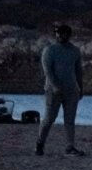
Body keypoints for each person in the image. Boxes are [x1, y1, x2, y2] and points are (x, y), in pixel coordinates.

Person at [35, 23, 85, 156]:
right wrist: (55, 86)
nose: (60, 35)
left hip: (71, 90)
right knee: (49, 118)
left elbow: (78, 70)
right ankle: (40, 144)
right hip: (53, 91)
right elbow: (48, 71)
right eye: (57, 33)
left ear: (68, 35)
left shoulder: (75, 51)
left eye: (62, 33)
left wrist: (80, 87)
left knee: (70, 119)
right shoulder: (49, 50)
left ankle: (70, 146)